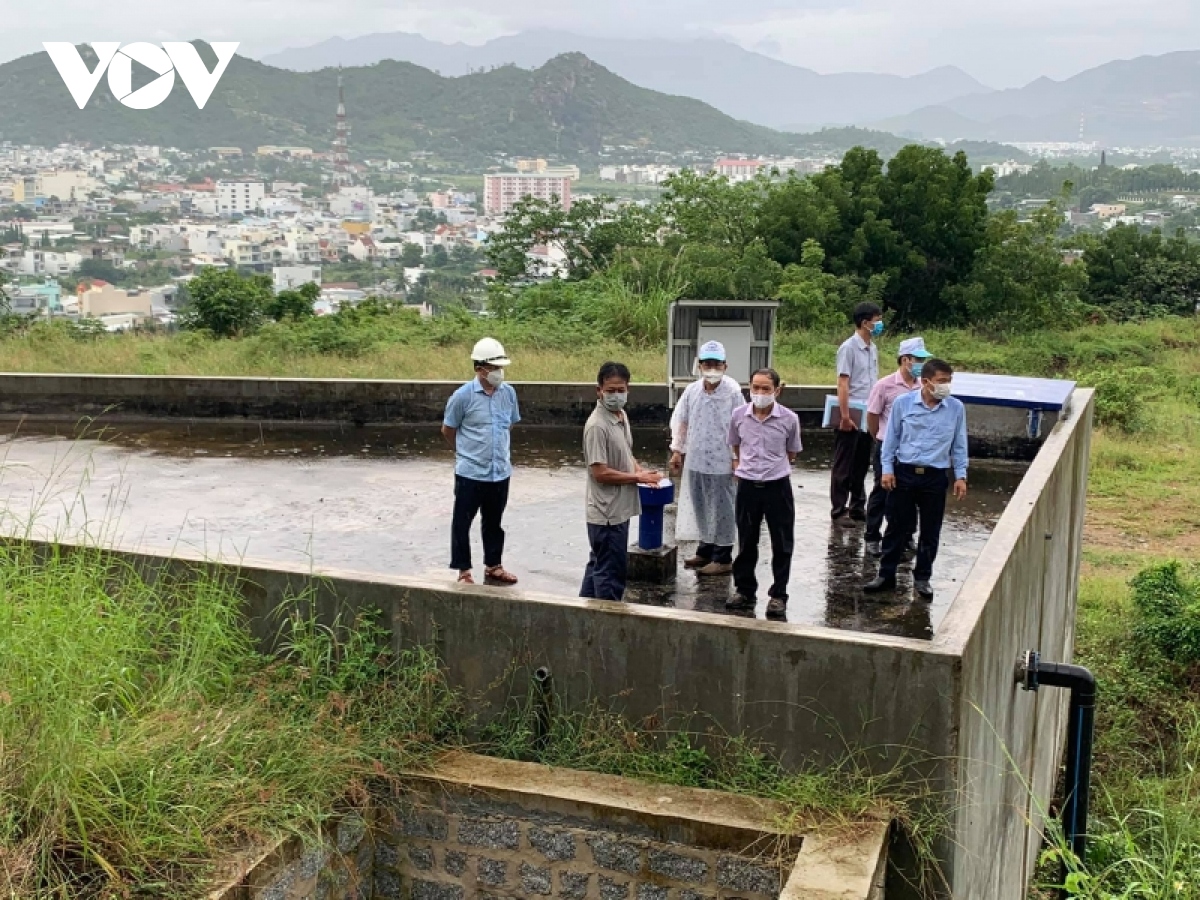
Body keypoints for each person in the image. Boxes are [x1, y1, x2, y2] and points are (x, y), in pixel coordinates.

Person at [863, 358, 969, 601]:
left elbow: (959, 445)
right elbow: (890, 439)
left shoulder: (955, 408)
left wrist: (961, 476)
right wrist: (887, 470)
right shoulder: (903, 403)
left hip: (935, 476)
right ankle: (886, 575)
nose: (946, 386)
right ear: (926, 382)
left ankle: (922, 578)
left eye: (949, 381)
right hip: (904, 474)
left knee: (930, 530)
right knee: (896, 526)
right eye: (941, 381)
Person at [441, 337, 522, 586]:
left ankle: (494, 565)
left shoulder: (508, 393)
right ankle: (464, 570)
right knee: (462, 523)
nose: (499, 372)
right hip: (470, 473)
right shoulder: (462, 397)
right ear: (479, 368)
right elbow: (448, 430)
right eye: (493, 367)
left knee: (494, 522)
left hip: (499, 472)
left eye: (500, 367)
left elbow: (509, 423)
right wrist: (465, 453)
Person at [581, 361, 662, 602]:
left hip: (619, 509)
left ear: (628, 389)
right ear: (599, 391)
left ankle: (583, 612)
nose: (616, 395)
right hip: (606, 514)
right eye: (610, 390)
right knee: (610, 574)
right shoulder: (597, 426)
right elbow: (600, 472)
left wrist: (640, 471)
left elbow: (625, 454)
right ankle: (608, 622)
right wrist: (637, 477)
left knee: (598, 563)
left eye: (620, 390)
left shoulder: (621, 415)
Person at [727, 368, 802, 620]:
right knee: (747, 541)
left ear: (777, 391)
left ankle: (778, 594)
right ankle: (744, 590)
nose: (759, 393)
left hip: (777, 486)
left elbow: (792, 452)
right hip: (747, 486)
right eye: (755, 388)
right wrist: (741, 465)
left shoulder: (789, 419)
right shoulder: (738, 416)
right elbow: (736, 445)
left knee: (782, 542)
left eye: (765, 389)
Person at [669, 341, 742, 576]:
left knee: (723, 508)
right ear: (699, 366)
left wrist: (736, 457)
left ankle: (723, 556)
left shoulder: (732, 391)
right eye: (707, 364)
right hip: (697, 460)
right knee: (701, 504)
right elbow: (681, 420)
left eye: (716, 364)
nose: (712, 368)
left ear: (725, 365)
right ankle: (706, 549)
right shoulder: (692, 391)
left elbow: (740, 425)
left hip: (722, 461)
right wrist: (677, 451)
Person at [864, 336, 933, 557]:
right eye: (918, 359)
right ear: (905, 360)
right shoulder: (885, 386)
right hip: (888, 446)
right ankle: (872, 536)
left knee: (909, 495)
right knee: (882, 491)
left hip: (913, 450)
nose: (922, 364)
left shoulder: (924, 386)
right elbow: (873, 416)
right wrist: (880, 439)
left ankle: (905, 536)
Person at [830, 302, 882, 526]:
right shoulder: (848, 348)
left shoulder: (873, 348)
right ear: (865, 322)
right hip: (851, 411)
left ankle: (858, 505)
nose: (879, 324)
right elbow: (843, 382)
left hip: (868, 411)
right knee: (844, 462)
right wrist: (844, 415)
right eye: (876, 320)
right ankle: (839, 509)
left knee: (861, 461)